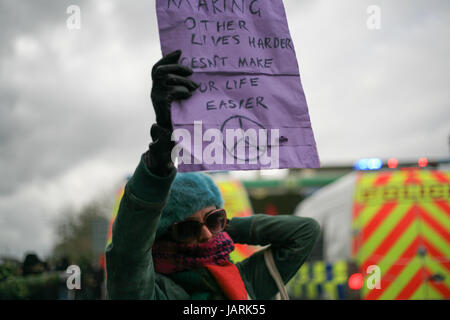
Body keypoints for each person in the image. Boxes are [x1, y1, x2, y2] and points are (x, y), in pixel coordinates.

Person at [105, 50, 320, 300]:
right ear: (162, 237)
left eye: (214, 219)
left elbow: (305, 231)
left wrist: (223, 227)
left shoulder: (245, 279)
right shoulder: (152, 292)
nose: (206, 235)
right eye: (187, 229)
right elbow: (128, 253)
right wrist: (164, 142)